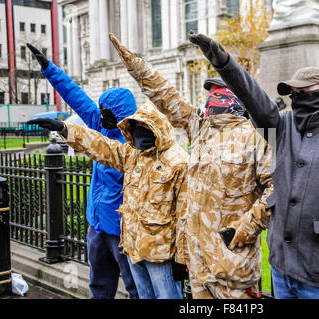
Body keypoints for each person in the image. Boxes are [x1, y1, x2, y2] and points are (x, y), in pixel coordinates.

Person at [189, 32, 319, 299]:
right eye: (294, 90)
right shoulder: (282, 127)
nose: (296, 94)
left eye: (303, 89)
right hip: (282, 269)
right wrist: (224, 63)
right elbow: (253, 98)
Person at [109, 33, 273, 299]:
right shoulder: (200, 128)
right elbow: (165, 95)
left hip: (232, 267)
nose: (211, 98)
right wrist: (135, 65)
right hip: (198, 266)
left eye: (219, 92)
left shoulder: (260, 135)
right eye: (210, 92)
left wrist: (246, 228)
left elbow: (275, 190)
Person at [28, 101, 189, 299]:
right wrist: (64, 128)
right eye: (136, 126)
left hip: (162, 255)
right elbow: (101, 145)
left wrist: (182, 259)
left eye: (145, 126)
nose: (140, 131)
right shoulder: (132, 154)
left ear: (158, 127)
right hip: (134, 249)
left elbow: (186, 215)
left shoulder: (179, 162)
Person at [26, 44, 138, 299]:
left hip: (122, 231)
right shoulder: (101, 125)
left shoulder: (130, 145)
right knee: (99, 285)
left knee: (135, 289)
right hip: (97, 225)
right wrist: (49, 68)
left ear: (120, 116)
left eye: (106, 111)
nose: (100, 114)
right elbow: (76, 96)